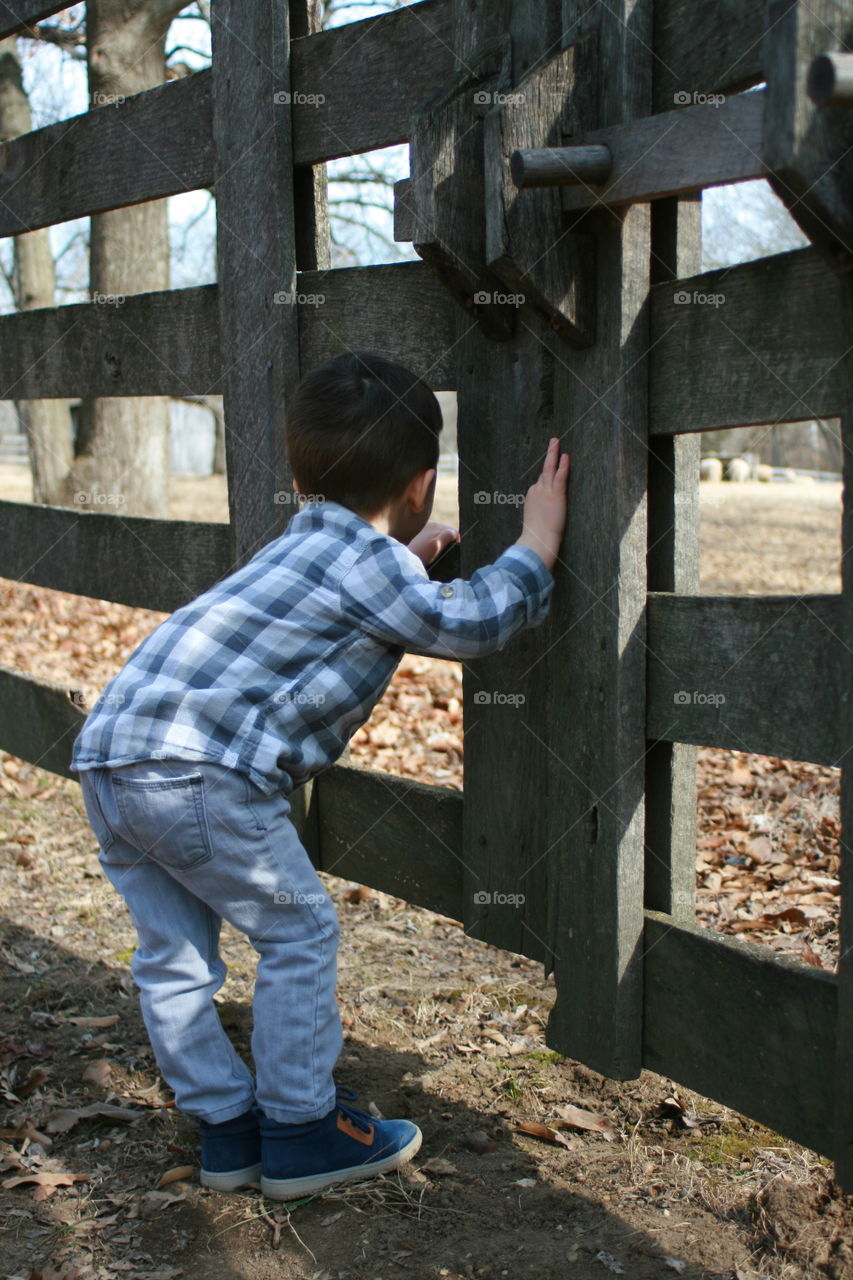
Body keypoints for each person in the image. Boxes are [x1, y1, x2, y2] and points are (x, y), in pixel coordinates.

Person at [70, 351, 570, 1201]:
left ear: (302, 471)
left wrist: (408, 557)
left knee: (173, 955)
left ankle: (228, 1131)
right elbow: (472, 623)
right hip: (202, 775)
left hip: (112, 760)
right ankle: (301, 1133)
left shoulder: (301, 542)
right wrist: (538, 541)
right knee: (298, 934)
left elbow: (341, 599)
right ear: (420, 484)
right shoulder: (369, 567)